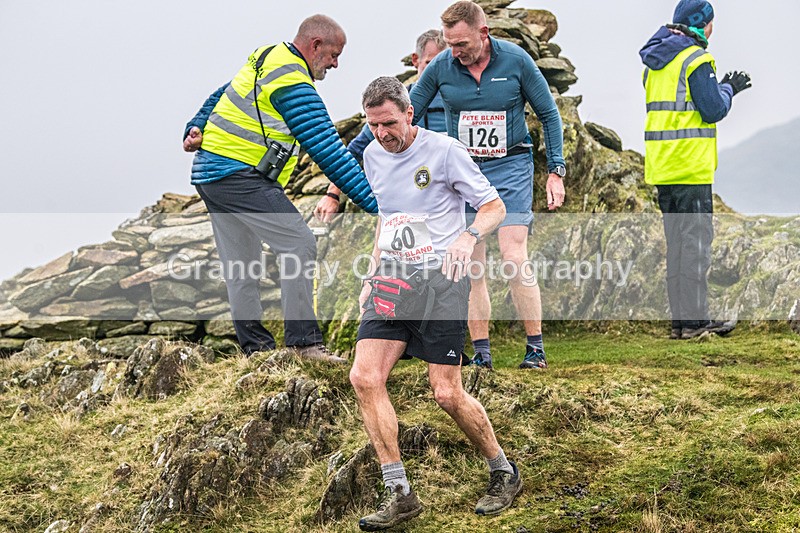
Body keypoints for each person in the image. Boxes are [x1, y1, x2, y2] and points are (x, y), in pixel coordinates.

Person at [351, 76, 519, 531]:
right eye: (373, 125)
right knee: (364, 377)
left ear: (409, 114)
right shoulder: (372, 155)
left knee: (446, 393)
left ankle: (503, 470)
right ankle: (400, 493)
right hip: (393, 279)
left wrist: (467, 237)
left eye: (389, 123)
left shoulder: (444, 152)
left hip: (443, 282)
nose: (381, 133)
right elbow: (388, 217)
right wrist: (372, 271)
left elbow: (494, 207)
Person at [182, 15, 377, 361]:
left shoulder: (268, 56)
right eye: (334, 55)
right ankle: (304, 345)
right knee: (298, 243)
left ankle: (257, 351)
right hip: (239, 175)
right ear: (315, 45)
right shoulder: (293, 83)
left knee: (241, 265)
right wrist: (377, 205)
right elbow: (329, 150)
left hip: (211, 175)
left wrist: (196, 124)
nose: (335, 64)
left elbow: (223, 92)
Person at [409, 0, 567, 370]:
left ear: (484, 33)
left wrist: (555, 170)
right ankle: (482, 354)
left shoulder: (516, 61)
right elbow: (409, 114)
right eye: (450, 43)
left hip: (510, 165)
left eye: (461, 44)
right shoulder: (441, 66)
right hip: (463, 172)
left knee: (513, 256)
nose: (454, 51)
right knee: (470, 264)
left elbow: (549, 114)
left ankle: (535, 350)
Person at [640, 0, 750, 340]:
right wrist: (729, 88)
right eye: (712, 22)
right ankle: (695, 323)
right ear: (702, 24)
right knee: (696, 247)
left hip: (663, 167)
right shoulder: (696, 59)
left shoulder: (655, 62)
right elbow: (713, 108)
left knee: (677, 247)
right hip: (690, 167)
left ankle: (680, 323)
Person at [314, 29, 448, 224]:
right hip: (408, 198)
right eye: (430, 63)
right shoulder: (396, 104)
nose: (436, 72)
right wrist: (332, 195)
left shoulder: (462, 102)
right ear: (415, 60)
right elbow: (356, 150)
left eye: (442, 65)